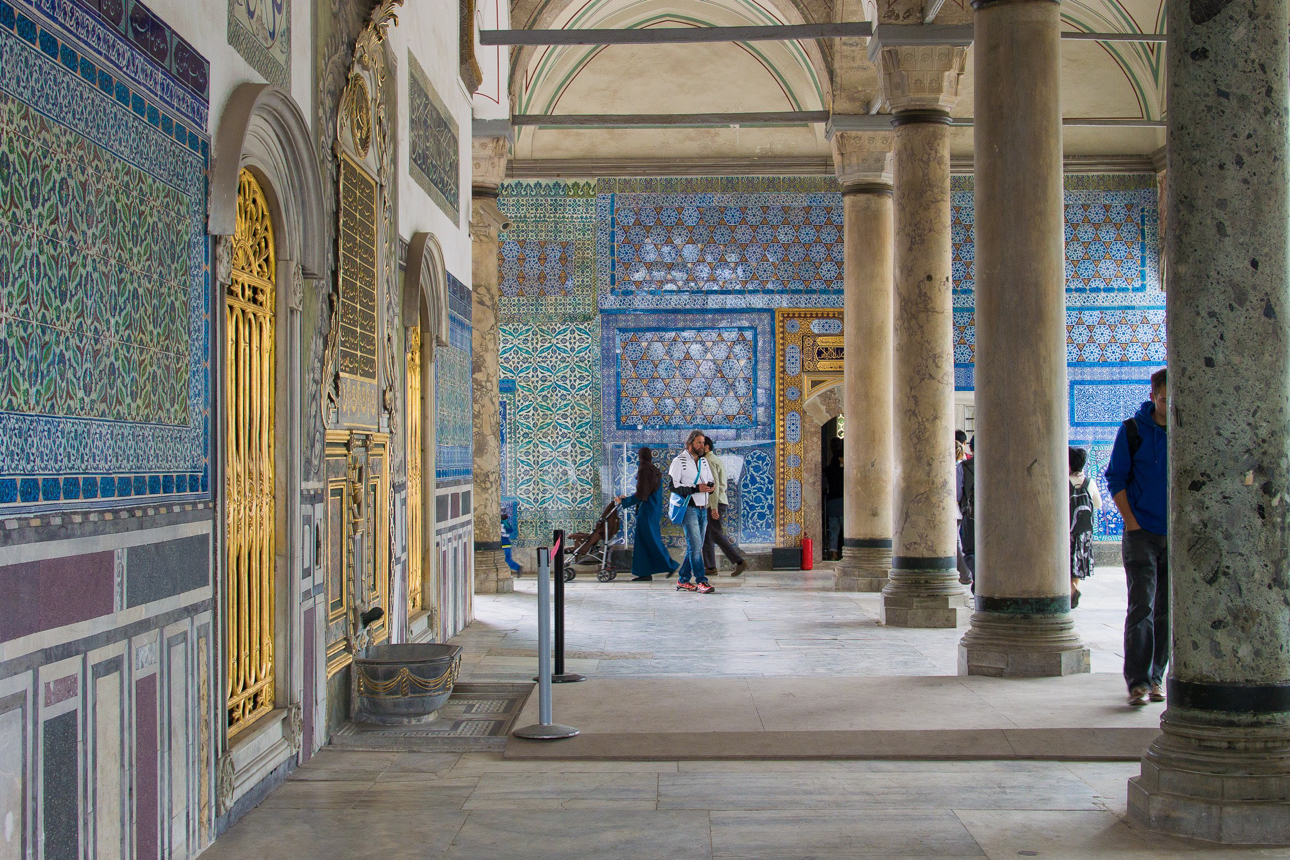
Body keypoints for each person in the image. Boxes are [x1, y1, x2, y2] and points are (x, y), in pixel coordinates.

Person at [1105, 367, 1169, 708]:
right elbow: (1115, 477)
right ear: (1152, 397)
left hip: (1174, 536)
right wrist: (1131, 522)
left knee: (1166, 610)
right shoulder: (1132, 431)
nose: (1168, 405)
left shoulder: (1186, 431)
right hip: (1141, 533)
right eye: (1163, 399)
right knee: (1142, 606)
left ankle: (1158, 677)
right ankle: (1138, 682)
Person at [614, 448, 678, 581]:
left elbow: (642, 494)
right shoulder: (654, 470)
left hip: (647, 511)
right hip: (654, 510)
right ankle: (644, 573)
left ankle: (669, 565)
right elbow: (646, 491)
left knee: (650, 541)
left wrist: (624, 501)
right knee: (645, 541)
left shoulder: (644, 470)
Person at [668, 430, 716, 594]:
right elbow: (673, 487)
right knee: (696, 547)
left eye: (703, 443)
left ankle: (683, 580)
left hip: (703, 508)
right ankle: (702, 581)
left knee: (695, 547)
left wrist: (710, 487)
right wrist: (696, 488)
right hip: (689, 508)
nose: (702, 445)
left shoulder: (703, 462)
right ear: (690, 445)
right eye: (699, 443)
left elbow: (709, 480)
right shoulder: (679, 461)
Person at [701, 437, 748, 578]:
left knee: (715, 534)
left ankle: (739, 561)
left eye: (701, 445)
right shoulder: (715, 459)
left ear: (707, 447)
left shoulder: (708, 461)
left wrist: (713, 507)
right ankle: (710, 567)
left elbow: (713, 486)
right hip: (718, 501)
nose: (699, 448)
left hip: (715, 503)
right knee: (708, 536)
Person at [1068, 446, 1102, 608]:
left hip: (1066, 531)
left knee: (1065, 562)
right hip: (1083, 532)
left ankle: (1071, 590)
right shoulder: (1089, 482)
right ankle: (1073, 588)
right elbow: (1098, 504)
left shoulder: (1064, 482)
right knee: (1077, 564)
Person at [956, 443, 976, 587]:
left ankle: (978, 578)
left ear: (971, 448)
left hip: (971, 515)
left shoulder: (964, 467)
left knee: (970, 551)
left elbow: (957, 494)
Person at [822, 438, 844, 560]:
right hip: (841, 502)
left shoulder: (830, 469)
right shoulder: (842, 471)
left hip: (832, 502)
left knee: (834, 531)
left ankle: (833, 553)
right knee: (845, 530)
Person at [501, 511, 523, 577]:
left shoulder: (500, 523)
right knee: (507, 558)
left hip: (503, 544)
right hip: (507, 544)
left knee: (506, 559)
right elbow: (510, 531)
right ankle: (516, 568)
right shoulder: (507, 523)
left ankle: (517, 567)